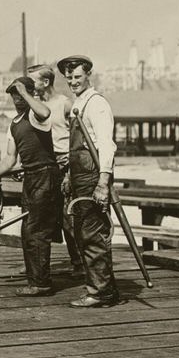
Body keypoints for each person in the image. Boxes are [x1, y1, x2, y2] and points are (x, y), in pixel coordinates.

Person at [0, 75, 62, 295]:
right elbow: (10, 159)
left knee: (37, 230)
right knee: (28, 230)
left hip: (45, 175)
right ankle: (36, 279)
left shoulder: (37, 116)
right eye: (14, 94)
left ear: (30, 93)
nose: (17, 98)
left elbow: (46, 112)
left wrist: (27, 93)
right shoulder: (14, 124)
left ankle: (41, 283)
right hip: (30, 177)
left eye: (21, 93)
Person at [56, 54, 119, 307]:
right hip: (80, 176)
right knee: (82, 233)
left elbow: (106, 145)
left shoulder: (97, 104)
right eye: (69, 77)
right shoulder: (78, 103)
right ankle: (103, 287)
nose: (73, 81)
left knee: (93, 233)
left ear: (88, 75)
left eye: (78, 76)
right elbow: (78, 147)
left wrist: (103, 182)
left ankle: (100, 292)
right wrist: (71, 175)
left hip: (93, 176)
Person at [29, 62, 82, 276]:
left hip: (66, 165)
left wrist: (70, 173)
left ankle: (79, 264)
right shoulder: (36, 107)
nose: (30, 86)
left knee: (69, 218)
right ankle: (40, 267)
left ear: (46, 82)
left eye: (33, 81)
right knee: (43, 219)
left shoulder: (65, 104)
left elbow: (78, 141)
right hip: (45, 167)